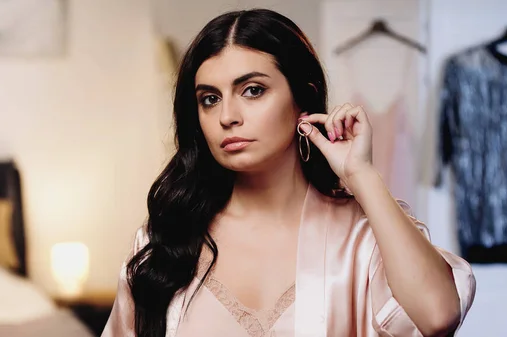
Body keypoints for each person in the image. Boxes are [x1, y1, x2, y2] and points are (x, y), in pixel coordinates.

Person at [101, 8, 476, 337]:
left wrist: (361, 175)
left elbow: (437, 317)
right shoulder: (164, 242)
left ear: (304, 98)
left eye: (252, 90)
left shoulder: (363, 238)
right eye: (209, 99)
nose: (227, 116)